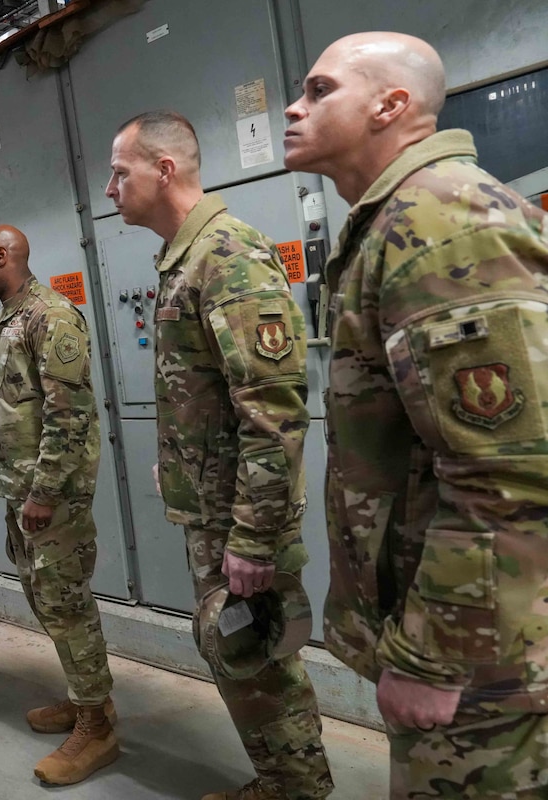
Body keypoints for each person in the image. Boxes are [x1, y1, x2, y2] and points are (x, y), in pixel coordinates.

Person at [283, 32, 548, 798]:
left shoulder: (437, 221)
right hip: (483, 642)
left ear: (390, 105)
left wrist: (436, 655)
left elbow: (513, 473)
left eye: (320, 90)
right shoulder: (399, 219)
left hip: (486, 661)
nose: (295, 109)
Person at [106, 111, 333, 800]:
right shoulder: (184, 258)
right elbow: (207, 396)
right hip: (215, 507)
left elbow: (273, 410)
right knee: (239, 651)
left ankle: (296, 787)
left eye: (121, 171)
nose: (110, 188)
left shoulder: (226, 255)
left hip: (240, 520)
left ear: (164, 170)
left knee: (259, 654)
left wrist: (256, 537)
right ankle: (281, 780)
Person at [0, 225, 117, 786]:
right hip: (23, 492)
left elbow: (68, 415)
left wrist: (46, 492)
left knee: (66, 602)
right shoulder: (12, 316)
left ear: (4, 256)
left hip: (50, 499)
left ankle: (97, 728)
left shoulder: (51, 317)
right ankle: (87, 702)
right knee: (46, 598)